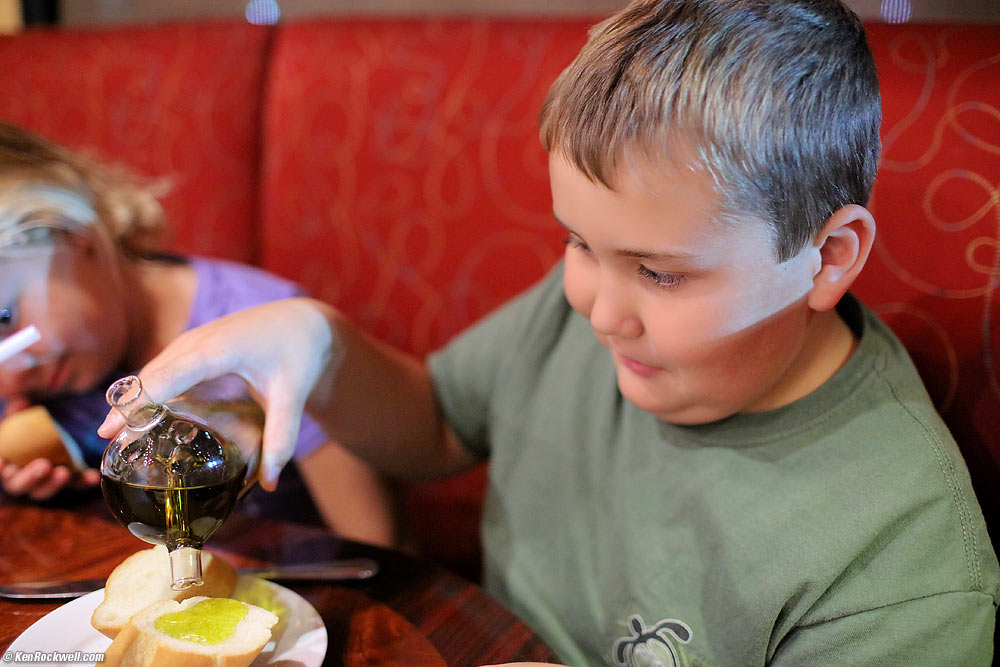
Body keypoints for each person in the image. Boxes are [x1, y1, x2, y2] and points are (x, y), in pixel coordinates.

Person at [100, 0, 999, 664]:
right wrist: (321, 343)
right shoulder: (599, 306)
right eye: (577, 242)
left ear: (829, 255)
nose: (598, 309)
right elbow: (438, 425)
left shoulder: (899, 559)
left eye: (660, 272)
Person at [0, 121, 401, 549]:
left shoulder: (265, 325)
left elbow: (376, 541)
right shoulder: (49, 378)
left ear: (71, 237)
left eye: (5, 317)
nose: (9, 378)